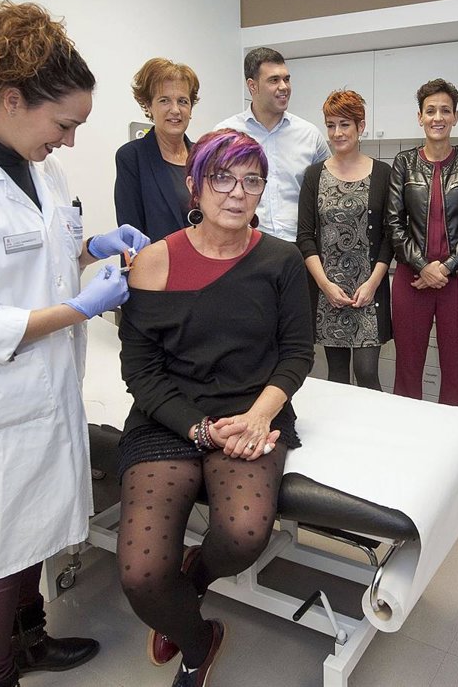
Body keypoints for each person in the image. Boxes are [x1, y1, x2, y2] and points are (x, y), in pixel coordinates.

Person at [0, 0, 148, 687]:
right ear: (12, 100)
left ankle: (30, 640)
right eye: (63, 124)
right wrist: (78, 308)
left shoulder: (42, 170)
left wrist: (92, 245)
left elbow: (45, 252)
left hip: (44, 386)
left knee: (32, 525)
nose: (68, 141)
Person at [116, 129, 314, 687]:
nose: (237, 192)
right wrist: (198, 429)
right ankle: (200, 641)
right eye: (222, 178)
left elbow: (297, 354)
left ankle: (195, 577)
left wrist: (260, 415)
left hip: (252, 412)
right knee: (141, 576)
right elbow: (141, 372)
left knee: (244, 535)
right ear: (194, 185)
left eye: (252, 181)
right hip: (169, 416)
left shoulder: (282, 261)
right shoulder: (153, 263)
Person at [386, 78, 458, 407]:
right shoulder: (404, 163)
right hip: (411, 280)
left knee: (456, 374)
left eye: (445, 110)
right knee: (407, 370)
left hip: (457, 281)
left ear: (456, 116)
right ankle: (407, 435)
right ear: (420, 117)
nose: (438, 117)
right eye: (430, 111)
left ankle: (454, 439)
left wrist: (444, 268)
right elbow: (393, 224)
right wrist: (422, 266)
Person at [297, 90, 393, 389]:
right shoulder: (314, 175)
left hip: (369, 291)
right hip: (329, 293)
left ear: (360, 126)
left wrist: (373, 283)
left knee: (367, 373)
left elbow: (390, 237)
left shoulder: (383, 173)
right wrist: (325, 286)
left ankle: (373, 422)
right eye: (331, 125)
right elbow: (305, 236)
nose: (337, 133)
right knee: (336, 378)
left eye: (344, 124)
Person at [215, 47, 329, 241]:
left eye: (287, 79)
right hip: (244, 243)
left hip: (298, 245)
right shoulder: (226, 135)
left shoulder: (310, 135)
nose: (284, 87)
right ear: (253, 86)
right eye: (274, 80)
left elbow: (329, 190)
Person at [114, 58, 200, 240]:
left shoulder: (204, 157)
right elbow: (130, 233)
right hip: (157, 258)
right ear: (148, 106)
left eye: (183, 101)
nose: (175, 110)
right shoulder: (132, 157)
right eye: (164, 100)